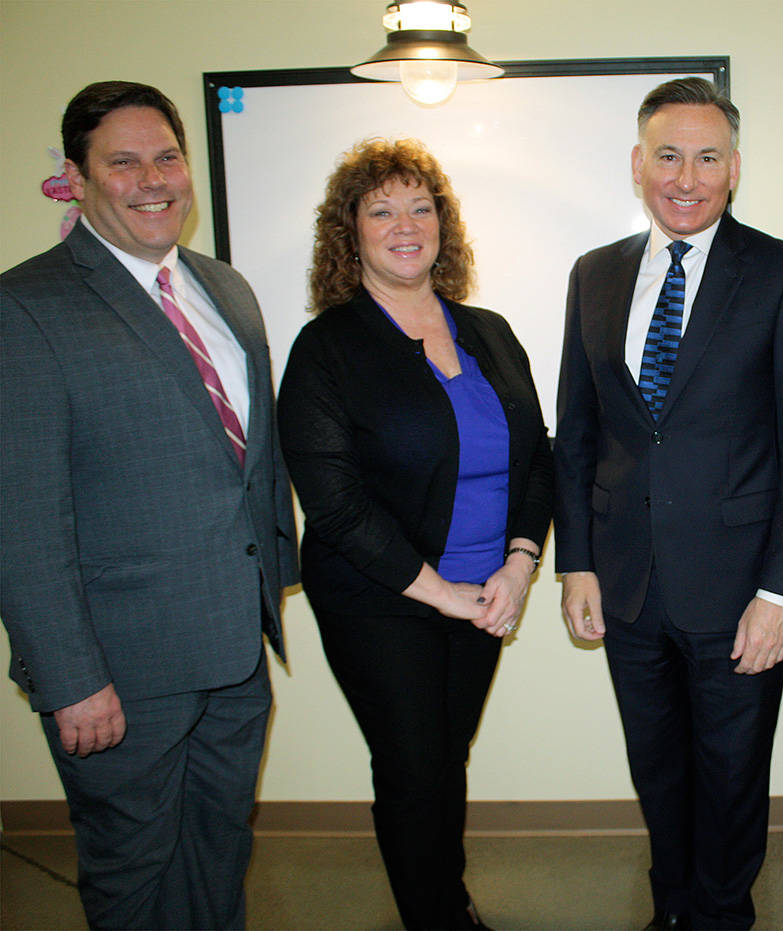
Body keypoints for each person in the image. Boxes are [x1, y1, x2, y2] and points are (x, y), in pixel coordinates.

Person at [0, 81, 297, 930]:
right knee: (133, 871)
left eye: (166, 156)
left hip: (236, 654)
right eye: (122, 162)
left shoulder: (225, 290)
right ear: (77, 177)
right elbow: (20, 519)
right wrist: (70, 678)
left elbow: (251, 461)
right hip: (119, 675)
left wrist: (269, 588)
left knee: (218, 849)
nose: (152, 179)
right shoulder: (25, 307)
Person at [555, 77, 783, 930]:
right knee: (659, 769)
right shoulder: (595, 274)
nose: (687, 176)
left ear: (735, 168)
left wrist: (780, 596)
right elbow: (575, 430)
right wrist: (575, 561)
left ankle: (722, 915)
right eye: (668, 155)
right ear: (639, 165)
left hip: (739, 590)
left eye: (707, 157)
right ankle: (671, 906)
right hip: (626, 583)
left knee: (730, 774)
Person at [276, 138, 552, 931]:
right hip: (379, 596)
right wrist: (444, 594)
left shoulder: (490, 332)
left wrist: (520, 565)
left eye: (421, 207)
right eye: (382, 209)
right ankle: (436, 916)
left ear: (443, 224)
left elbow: (539, 458)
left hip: (485, 591)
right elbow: (333, 500)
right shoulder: (328, 348)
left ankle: (447, 899)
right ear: (349, 232)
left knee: (445, 760)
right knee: (413, 767)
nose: (406, 225)